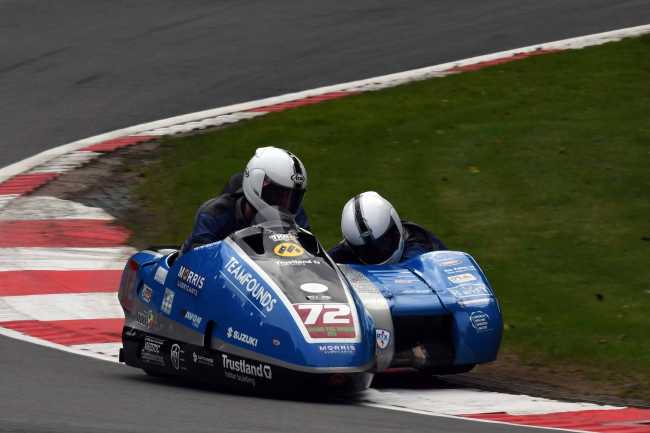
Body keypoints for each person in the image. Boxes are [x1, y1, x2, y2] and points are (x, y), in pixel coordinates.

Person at [180, 146, 309, 253]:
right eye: (278, 194)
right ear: (255, 183)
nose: (285, 204)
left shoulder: (297, 218)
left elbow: (310, 258)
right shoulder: (215, 215)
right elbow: (196, 266)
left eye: (292, 198)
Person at [328, 191, 446, 265]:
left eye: (383, 243)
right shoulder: (341, 254)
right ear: (351, 246)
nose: (377, 253)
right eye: (367, 251)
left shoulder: (422, 250)